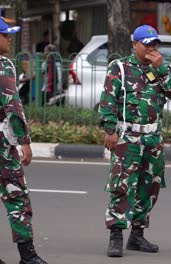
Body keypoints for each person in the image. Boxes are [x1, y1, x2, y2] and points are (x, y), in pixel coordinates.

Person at [98, 24, 171, 258]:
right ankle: (116, 234)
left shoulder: (160, 68)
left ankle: (137, 234)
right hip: (128, 137)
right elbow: (108, 100)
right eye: (146, 44)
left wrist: (161, 68)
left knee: (150, 185)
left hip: (153, 137)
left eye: (154, 44)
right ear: (134, 44)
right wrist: (109, 130)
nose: (151, 48)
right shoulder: (121, 67)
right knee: (123, 186)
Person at [0, 17, 48, 264]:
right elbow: (12, 106)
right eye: (4, 34)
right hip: (2, 147)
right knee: (17, 197)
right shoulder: (3, 66)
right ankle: (27, 256)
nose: (9, 38)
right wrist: (24, 141)